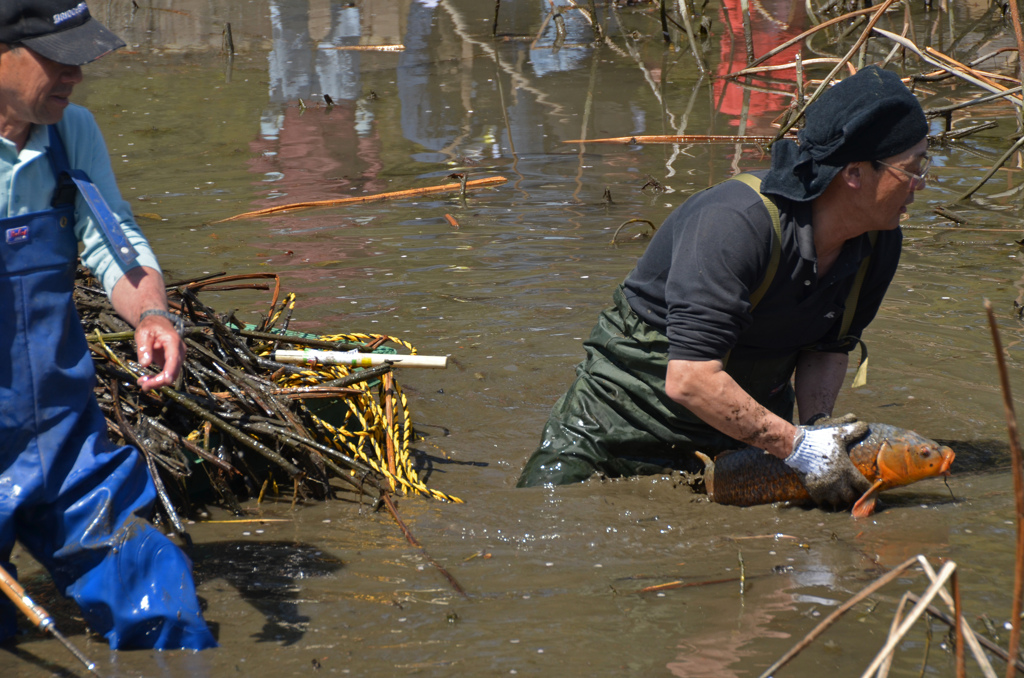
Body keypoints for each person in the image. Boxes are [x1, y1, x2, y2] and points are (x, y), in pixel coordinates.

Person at [517, 65, 930, 510]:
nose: (923, 183)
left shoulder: (878, 241)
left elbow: (829, 345)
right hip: (615, 430)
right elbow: (690, 379)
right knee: (540, 521)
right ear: (854, 173)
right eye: (914, 168)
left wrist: (820, 432)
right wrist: (801, 448)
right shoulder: (735, 223)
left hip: (740, 446)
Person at [0, 1, 216, 650]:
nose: (76, 74)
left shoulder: (73, 135)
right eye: (56, 58)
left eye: (80, 57)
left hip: (65, 446)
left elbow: (113, 241)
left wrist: (153, 313)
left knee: (163, 604)